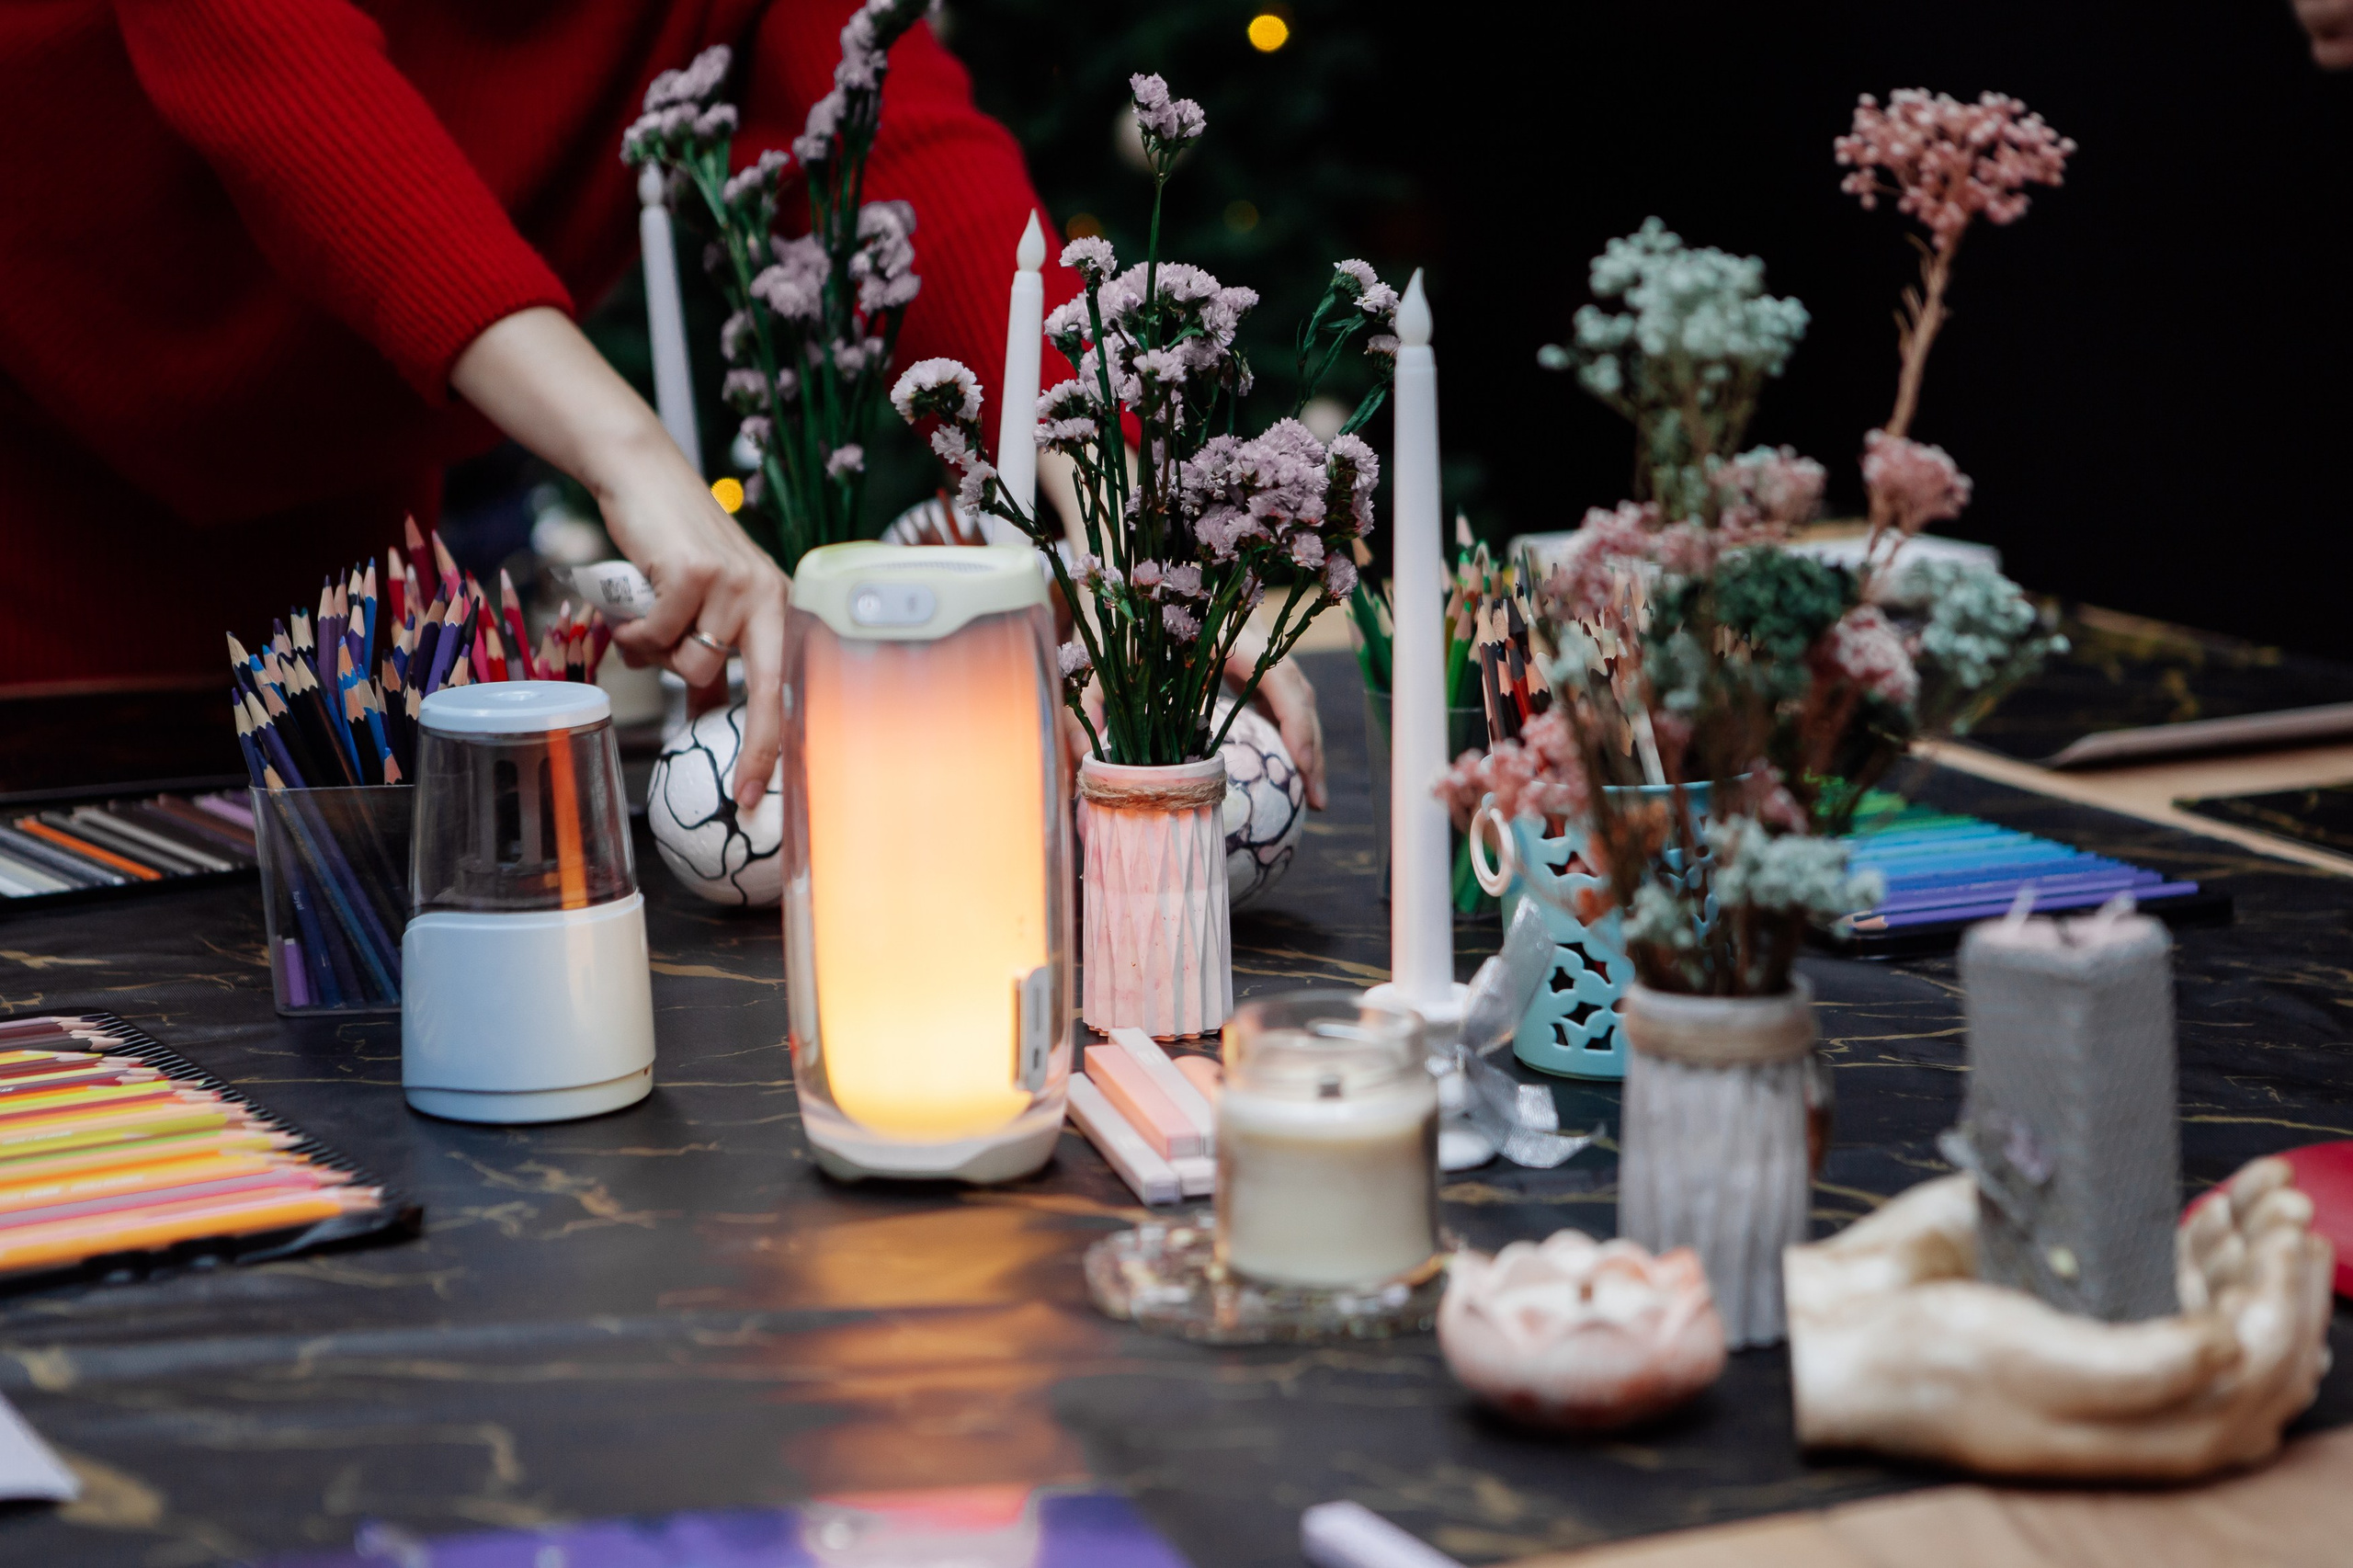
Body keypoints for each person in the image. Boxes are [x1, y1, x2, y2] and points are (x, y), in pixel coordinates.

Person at [0, 0, 1327, 812]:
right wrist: (632, 456)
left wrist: (1125, 528)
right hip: (37, 463)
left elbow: (901, 135)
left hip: (343, 504)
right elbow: (272, 67)